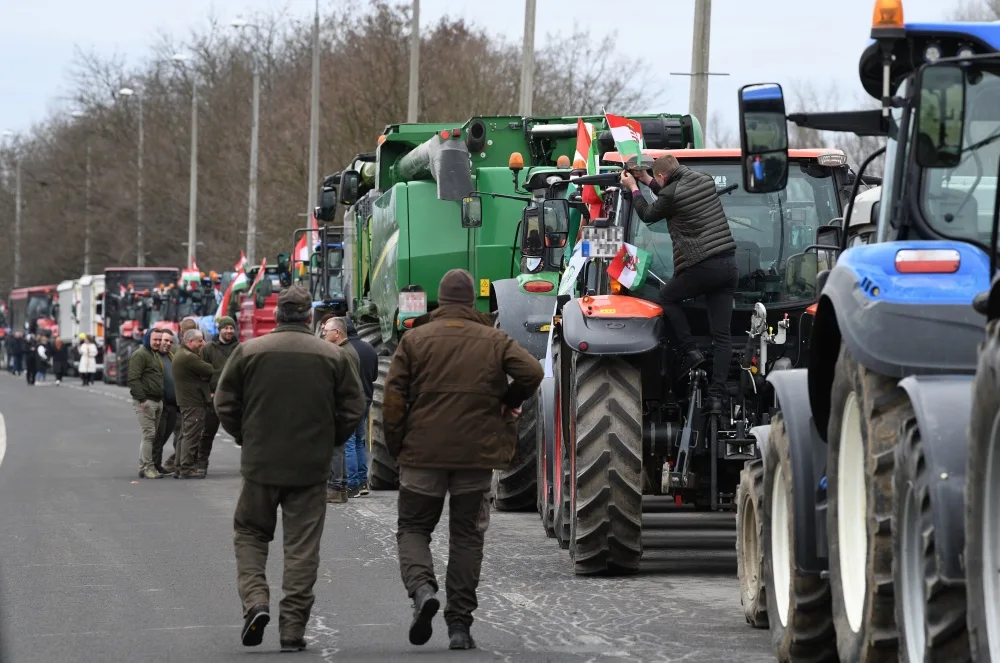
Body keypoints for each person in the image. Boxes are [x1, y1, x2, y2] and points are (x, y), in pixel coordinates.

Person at [383, 269, 544, 650]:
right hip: (476, 456)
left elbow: (392, 398)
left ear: (439, 300)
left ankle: (422, 589)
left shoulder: (415, 339)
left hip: (422, 455)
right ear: (473, 302)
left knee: (413, 529)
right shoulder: (494, 339)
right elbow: (534, 371)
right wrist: (508, 400)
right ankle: (459, 626)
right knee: (467, 538)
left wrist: (397, 447)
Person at [215, 285, 365, 652]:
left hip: (260, 464)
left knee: (250, 533)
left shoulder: (248, 351)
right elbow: (353, 407)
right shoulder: (333, 355)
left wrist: (246, 437)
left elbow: (224, 403)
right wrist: (329, 440)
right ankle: (292, 631)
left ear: (279, 314)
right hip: (310, 468)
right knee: (302, 548)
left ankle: (255, 602)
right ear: (309, 317)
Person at [620, 154, 739, 412]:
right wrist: (647, 179)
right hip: (729, 265)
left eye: (657, 178)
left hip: (703, 267)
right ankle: (716, 398)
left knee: (667, 297)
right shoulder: (704, 180)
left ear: (663, 176)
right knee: (722, 335)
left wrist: (633, 189)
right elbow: (670, 193)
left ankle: (691, 350)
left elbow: (649, 214)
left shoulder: (670, 195)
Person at [320, 316, 358, 504]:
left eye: (326, 331)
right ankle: (341, 486)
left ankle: (335, 487)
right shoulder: (346, 351)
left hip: (339, 406)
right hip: (343, 406)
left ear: (337, 333)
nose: (324, 334)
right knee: (339, 448)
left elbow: (347, 384)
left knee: (335, 448)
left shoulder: (344, 354)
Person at [196, 316, 240, 475]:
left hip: (236, 398)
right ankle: (201, 464)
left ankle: (249, 466)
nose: (229, 331)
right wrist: (208, 392)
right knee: (207, 432)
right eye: (225, 328)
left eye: (231, 328)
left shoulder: (240, 348)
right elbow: (201, 374)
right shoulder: (208, 349)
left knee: (244, 432)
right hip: (213, 398)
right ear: (219, 329)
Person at [171, 329, 214, 479]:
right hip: (193, 401)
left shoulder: (182, 354)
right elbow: (209, 369)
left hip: (186, 401)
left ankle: (179, 467)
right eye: (200, 340)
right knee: (192, 435)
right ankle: (186, 468)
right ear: (190, 342)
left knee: (184, 434)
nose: (203, 343)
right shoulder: (189, 357)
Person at [344, 317, 378, 497]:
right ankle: (363, 482)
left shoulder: (344, 350)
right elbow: (374, 376)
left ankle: (352, 484)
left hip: (350, 402)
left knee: (348, 442)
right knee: (359, 441)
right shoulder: (369, 348)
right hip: (367, 400)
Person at [128, 328, 166, 479]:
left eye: (159, 339)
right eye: (155, 339)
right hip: (146, 401)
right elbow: (133, 379)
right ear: (148, 339)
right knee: (149, 434)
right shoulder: (140, 355)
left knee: (149, 436)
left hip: (157, 401)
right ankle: (149, 469)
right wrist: (142, 400)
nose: (157, 342)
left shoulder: (153, 354)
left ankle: (143, 466)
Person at [154, 329, 179, 476]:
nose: (168, 344)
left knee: (164, 436)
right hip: (160, 404)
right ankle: (149, 465)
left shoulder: (171, 357)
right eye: (165, 340)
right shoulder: (153, 357)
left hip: (172, 404)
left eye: (170, 341)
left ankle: (157, 464)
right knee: (157, 436)